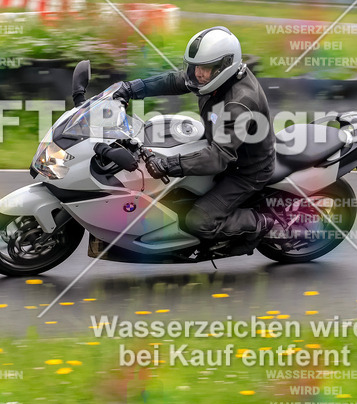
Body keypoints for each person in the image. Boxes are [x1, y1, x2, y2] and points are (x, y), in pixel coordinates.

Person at [114, 27, 291, 255]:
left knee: (198, 221)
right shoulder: (213, 79)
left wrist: (168, 165)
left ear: (224, 66)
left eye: (205, 68)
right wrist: (131, 89)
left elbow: (219, 158)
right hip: (220, 144)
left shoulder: (239, 103)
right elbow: (174, 80)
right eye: (196, 66)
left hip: (245, 171)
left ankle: (262, 223)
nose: (198, 73)